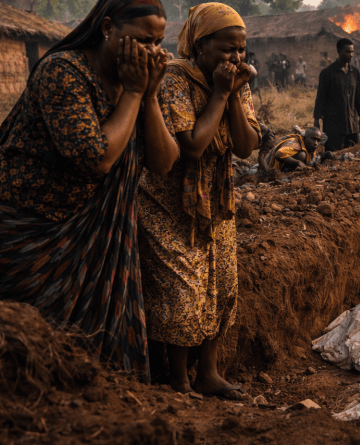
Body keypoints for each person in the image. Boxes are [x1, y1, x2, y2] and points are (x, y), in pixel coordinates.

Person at [0, 0, 179, 381]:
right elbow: (95, 157)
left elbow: (164, 163)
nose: (151, 52)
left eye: (158, 42)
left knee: (101, 362)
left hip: (105, 239)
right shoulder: (62, 72)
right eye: (142, 40)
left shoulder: (139, 81)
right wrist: (133, 92)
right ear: (108, 28)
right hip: (39, 234)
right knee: (35, 352)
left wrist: (148, 96)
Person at [137, 2, 260, 397]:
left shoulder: (236, 85)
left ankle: (208, 372)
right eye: (226, 49)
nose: (235, 58)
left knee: (221, 286)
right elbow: (192, 145)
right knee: (182, 292)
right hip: (169, 204)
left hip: (216, 204)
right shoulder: (175, 79)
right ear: (199, 45)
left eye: (241, 50)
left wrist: (235, 96)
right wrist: (222, 95)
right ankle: (177, 380)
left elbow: (245, 146)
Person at [314, 38, 360, 152]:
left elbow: (359, 97)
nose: (351, 55)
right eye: (347, 52)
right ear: (339, 51)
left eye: (352, 52)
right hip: (334, 126)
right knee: (333, 158)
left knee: (355, 155)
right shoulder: (327, 73)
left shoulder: (355, 72)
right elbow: (321, 98)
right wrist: (317, 120)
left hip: (352, 125)